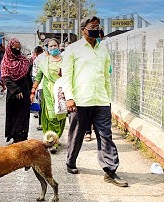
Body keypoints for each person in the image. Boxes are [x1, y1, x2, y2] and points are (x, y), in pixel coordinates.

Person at [62, 15, 128, 187]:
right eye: (92, 26)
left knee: (106, 136)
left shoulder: (103, 50)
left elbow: (106, 77)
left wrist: (108, 99)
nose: (96, 29)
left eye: (98, 26)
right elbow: (66, 77)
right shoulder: (73, 50)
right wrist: (69, 97)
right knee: (76, 136)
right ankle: (70, 162)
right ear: (83, 29)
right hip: (80, 101)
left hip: (101, 101)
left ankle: (110, 170)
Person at [30, 38, 66, 154]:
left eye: (55, 46)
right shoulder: (44, 62)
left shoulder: (65, 61)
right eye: (50, 46)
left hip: (61, 93)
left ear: (59, 46)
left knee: (61, 117)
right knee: (51, 117)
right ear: (47, 48)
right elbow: (38, 77)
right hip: (48, 93)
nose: (53, 48)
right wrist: (33, 90)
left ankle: (56, 136)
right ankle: (52, 141)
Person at [1, 38, 32, 143]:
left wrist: (32, 91)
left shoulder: (24, 60)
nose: (17, 49)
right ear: (10, 48)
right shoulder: (5, 62)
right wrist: (16, 90)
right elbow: (6, 79)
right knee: (13, 115)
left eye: (19, 47)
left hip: (25, 91)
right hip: (13, 94)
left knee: (24, 115)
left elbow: (28, 77)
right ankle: (15, 136)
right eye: (15, 48)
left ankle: (22, 136)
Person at [31, 45, 44, 130]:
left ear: (36, 53)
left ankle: (41, 124)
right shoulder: (46, 58)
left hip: (40, 86)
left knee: (41, 106)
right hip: (45, 85)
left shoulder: (37, 60)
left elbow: (35, 75)